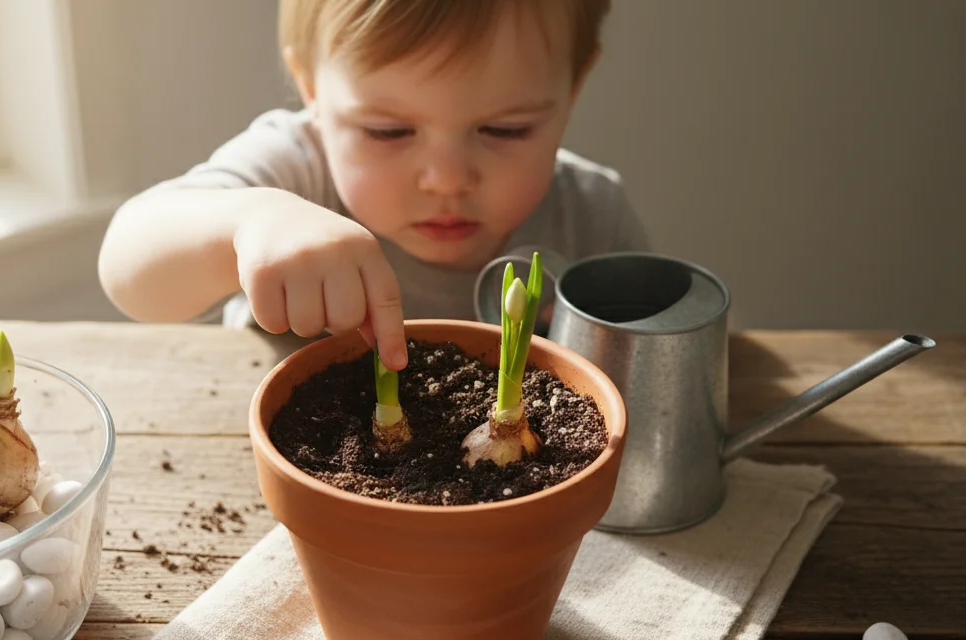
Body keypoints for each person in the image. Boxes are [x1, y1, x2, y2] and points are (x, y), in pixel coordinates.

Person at [97, 0, 650, 371]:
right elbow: (127, 270)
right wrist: (251, 223)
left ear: (574, 87)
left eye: (505, 130)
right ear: (311, 89)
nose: (446, 180)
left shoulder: (592, 214)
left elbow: (652, 370)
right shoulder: (297, 171)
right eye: (388, 132)